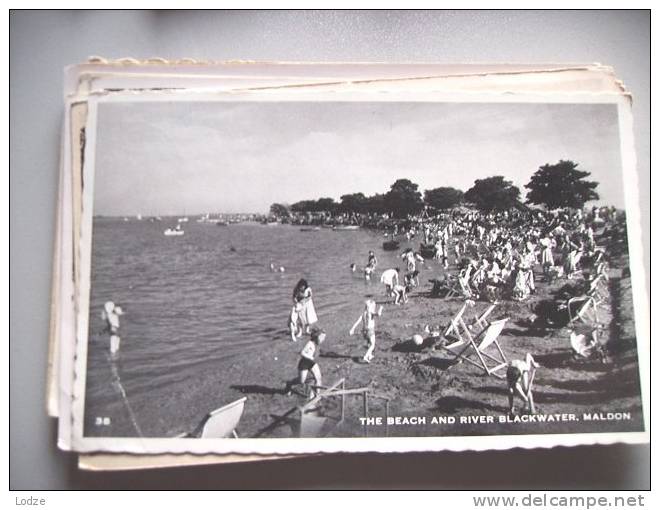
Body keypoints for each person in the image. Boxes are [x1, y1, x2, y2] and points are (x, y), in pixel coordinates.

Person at [285, 328, 326, 398]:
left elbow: (317, 351)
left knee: (318, 378)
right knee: (301, 382)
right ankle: (289, 384)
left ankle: (318, 394)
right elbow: (302, 353)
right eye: (321, 338)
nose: (323, 340)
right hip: (304, 364)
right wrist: (310, 357)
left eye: (324, 338)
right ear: (316, 337)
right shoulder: (310, 343)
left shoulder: (317, 343)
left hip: (312, 363)